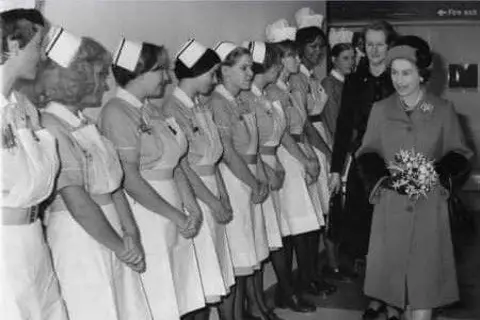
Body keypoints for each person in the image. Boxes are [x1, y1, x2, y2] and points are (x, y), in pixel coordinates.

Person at [356, 35, 472, 320]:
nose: (399, 80)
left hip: (429, 211)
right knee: (399, 296)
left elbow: (460, 153)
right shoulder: (381, 110)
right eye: (394, 72)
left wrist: (437, 173)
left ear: (422, 74)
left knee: (423, 292)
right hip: (391, 209)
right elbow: (366, 151)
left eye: (406, 72)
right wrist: (384, 180)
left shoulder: (443, 110)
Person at [38, 30, 151, 320]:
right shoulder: (50, 125)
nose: (107, 83)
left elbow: (115, 185)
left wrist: (130, 232)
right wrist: (120, 246)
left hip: (113, 233)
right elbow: (77, 200)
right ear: (76, 77)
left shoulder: (85, 123)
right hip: (81, 238)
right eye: (101, 75)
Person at [98, 38, 205, 320]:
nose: (168, 77)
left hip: (172, 208)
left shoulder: (151, 110)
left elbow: (175, 162)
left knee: (183, 292)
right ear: (138, 72)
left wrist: (190, 205)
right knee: (162, 296)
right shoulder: (116, 112)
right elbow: (129, 179)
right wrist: (176, 215)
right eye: (161, 70)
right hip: (149, 212)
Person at [0, 6, 68, 320]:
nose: (41, 57)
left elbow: (45, 176)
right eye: (38, 46)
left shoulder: (23, 106)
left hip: (33, 238)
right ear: (14, 45)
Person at [329, 22, 397, 318]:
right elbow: (344, 125)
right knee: (367, 237)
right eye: (368, 44)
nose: (374, 49)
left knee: (393, 236)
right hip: (362, 169)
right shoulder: (354, 80)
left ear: (390, 46)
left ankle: (394, 300)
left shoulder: (400, 77)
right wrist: (335, 169)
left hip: (396, 166)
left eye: (380, 44)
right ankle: (374, 297)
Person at [163, 39, 235, 320]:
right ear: (195, 71)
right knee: (198, 282)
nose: (215, 80)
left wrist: (223, 195)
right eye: (212, 73)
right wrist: (212, 202)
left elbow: (212, 154)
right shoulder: (173, 109)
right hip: (196, 197)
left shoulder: (198, 106)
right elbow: (184, 166)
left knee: (212, 276)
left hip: (212, 193)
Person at [210, 43, 269, 320]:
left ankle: (248, 311)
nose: (250, 73)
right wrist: (253, 182)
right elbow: (228, 152)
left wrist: (261, 176)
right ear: (224, 71)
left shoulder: (242, 100)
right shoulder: (218, 103)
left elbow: (252, 146)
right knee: (236, 259)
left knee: (248, 255)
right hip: (233, 182)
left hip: (248, 180)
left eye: (251, 67)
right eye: (243, 68)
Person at [264, 19, 320, 313]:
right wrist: (303, 158)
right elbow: (283, 133)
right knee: (286, 229)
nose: (298, 59)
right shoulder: (272, 91)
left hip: (296, 154)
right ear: (279, 58)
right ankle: (287, 291)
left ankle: (296, 286)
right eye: (293, 55)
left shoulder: (284, 88)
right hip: (286, 157)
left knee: (298, 227)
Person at [291, 7, 336, 296]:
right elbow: (304, 122)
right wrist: (325, 151)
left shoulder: (313, 77)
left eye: (321, 46)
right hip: (310, 142)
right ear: (299, 47)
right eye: (312, 45)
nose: (317, 51)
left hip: (320, 137)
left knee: (320, 214)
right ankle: (306, 277)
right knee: (311, 215)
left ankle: (314, 274)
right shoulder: (297, 79)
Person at [241, 40, 287, 320]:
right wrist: (267, 170)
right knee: (254, 244)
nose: (280, 67)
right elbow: (250, 146)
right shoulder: (246, 99)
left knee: (261, 243)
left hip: (265, 168)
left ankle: (259, 303)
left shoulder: (261, 96)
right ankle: (254, 306)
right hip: (254, 172)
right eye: (276, 62)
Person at [321, 28, 356, 282]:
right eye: (345, 58)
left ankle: (347, 259)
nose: (351, 62)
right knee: (333, 208)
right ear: (333, 59)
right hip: (336, 152)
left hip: (351, 151)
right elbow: (335, 124)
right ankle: (333, 263)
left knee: (347, 208)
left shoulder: (351, 84)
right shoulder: (329, 85)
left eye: (353, 58)